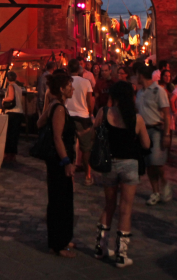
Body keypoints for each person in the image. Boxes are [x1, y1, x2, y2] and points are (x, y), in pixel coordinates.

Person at [93, 80, 150, 268]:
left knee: (109, 206)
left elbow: (95, 130)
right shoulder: (137, 118)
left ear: (114, 97)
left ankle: (101, 247)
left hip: (110, 164)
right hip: (130, 165)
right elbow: (146, 144)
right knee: (126, 209)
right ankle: (121, 254)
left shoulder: (104, 112)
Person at [37, 69, 77, 257]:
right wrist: (67, 162)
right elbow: (57, 137)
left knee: (57, 200)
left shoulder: (54, 105)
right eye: (70, 86)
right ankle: (59, 244)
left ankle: (58, 240)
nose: (72, 90)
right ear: (62, 89)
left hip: (54, 161)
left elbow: (39, 123)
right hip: (60, 161)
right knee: (61, 201)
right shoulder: (59, 108)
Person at [135, 63, 172, 205]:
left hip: (156, 129)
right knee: (149, 163)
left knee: (157, 161)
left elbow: (167, 114)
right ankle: (155, 191)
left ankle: (164, 182)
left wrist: (167, 134)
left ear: (141, 75)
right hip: (143, 130)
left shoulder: (158, 91)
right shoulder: (140, 92)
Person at [66, 58, 96, 186]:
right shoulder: (86, 82)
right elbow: (90, 102)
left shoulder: (66, 82)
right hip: (83, 117)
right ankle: (87, 176)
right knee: (86, 149)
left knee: (69, 148)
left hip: (68, 116)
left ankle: (70, 177)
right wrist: (90, 113)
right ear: (79, 69)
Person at [2, 71, 25, 163]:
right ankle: (13, 155)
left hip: (12, 112)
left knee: (10, 134)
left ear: (7, 79)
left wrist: (4, 99)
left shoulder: (10, 86)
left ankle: (8, 155)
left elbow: (11, 97)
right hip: (19, 112)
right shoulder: (19, 87)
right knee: (15, 135)